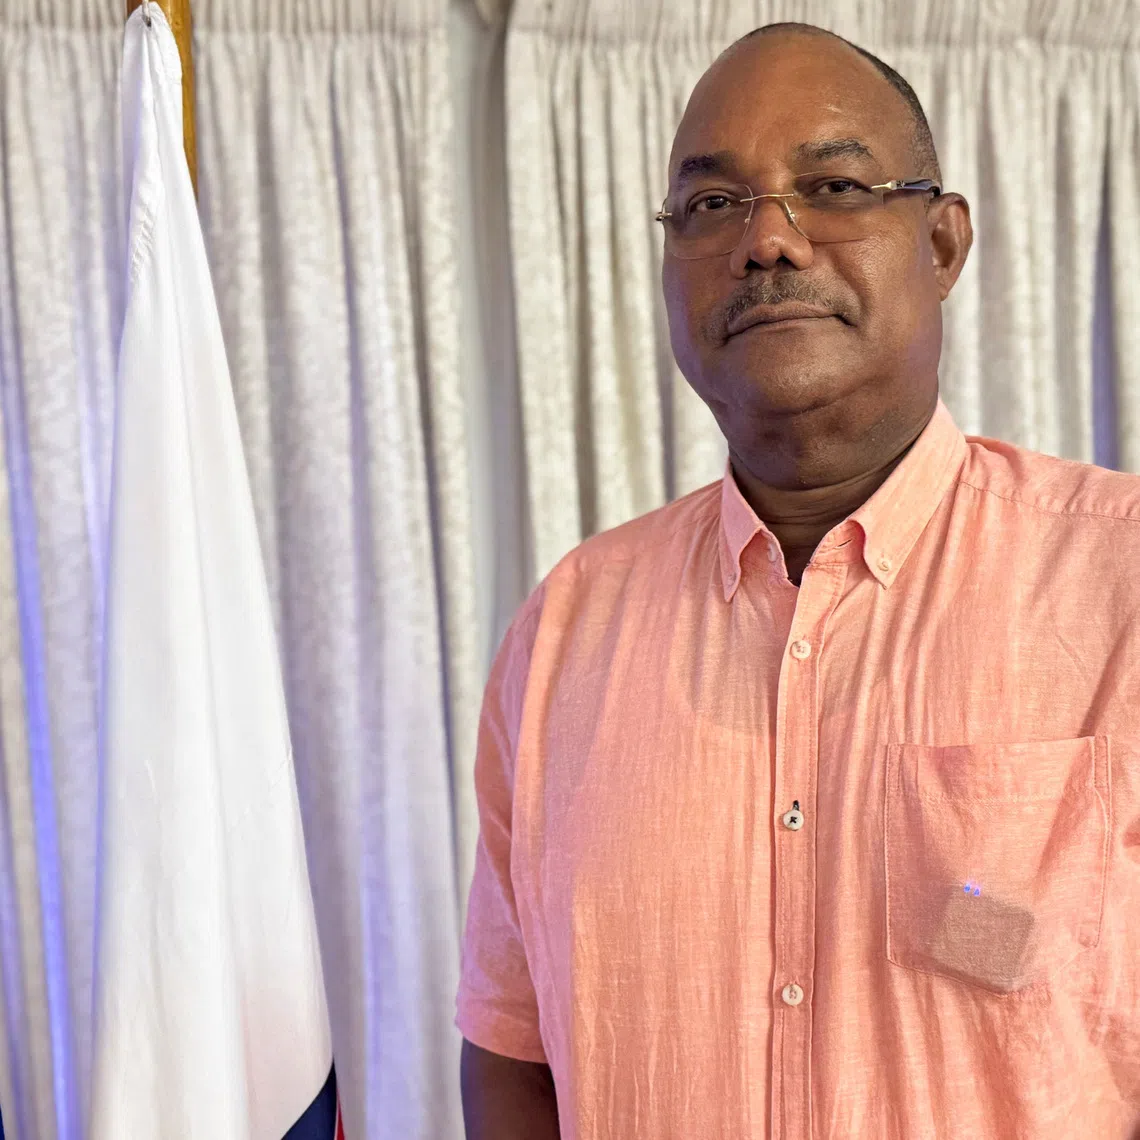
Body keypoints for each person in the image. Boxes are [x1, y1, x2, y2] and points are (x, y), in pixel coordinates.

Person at [456, 21, 1140, 1140]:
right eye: (713, 206)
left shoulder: (1118, 587)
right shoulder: (566, 633)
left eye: (832, 184)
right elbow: (512, 1051)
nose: (767, 240)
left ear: (944, 243)